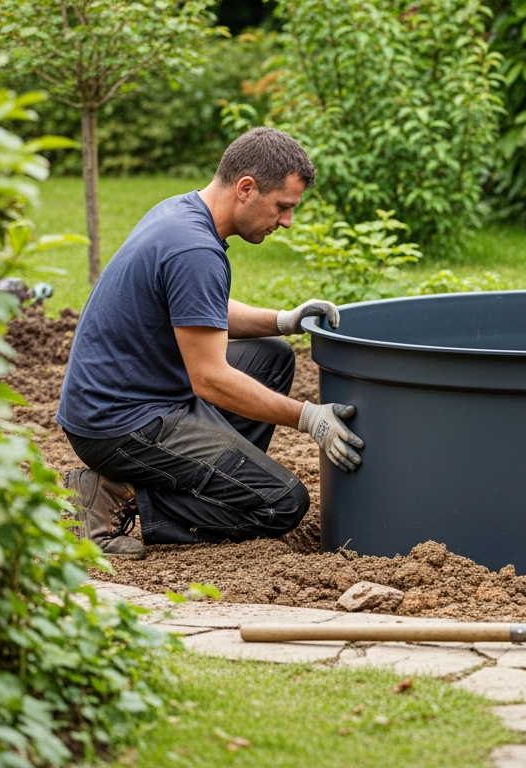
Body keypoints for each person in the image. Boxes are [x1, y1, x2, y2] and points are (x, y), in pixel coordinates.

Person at [56, 127, 365, 557]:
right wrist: (308, 417)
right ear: (246, 188)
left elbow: (198, 308)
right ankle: (114, 491)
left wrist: (284, 320)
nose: (287, 221)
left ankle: (206, 479)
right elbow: (210, 379)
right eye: (283, 207)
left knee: (271, 358)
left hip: (128, 397)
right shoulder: (194, 249)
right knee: (281, 503)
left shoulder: (182, 212)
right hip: (118, 425)